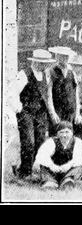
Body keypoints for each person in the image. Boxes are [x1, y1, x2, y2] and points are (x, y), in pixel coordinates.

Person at [12, 49, 56, 180]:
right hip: (26, 113)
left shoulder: (46, 75)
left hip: (40, 113)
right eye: (42, 63)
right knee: (29, 143)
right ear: (35, 61)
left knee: (40, 143)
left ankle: (23, 168)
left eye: (46, 63)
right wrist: (19, 109)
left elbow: (48, 95)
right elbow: (12, 94)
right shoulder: (24, 74)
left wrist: (51, 112)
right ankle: (25, 173)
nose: (44, 66)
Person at [32, 121, 82, 189]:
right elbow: (42, 155)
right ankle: (50, 182)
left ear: (72, 133)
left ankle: (68, 181)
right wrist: (51, 165)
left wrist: (69, 165)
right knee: (43, 165)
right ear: (57, 134)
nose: (64, 135)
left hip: (69, 170)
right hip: (54, 170)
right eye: (61, 132)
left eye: (67, 132)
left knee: (79, 167)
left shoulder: (77, 142)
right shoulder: (51, 141)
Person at [47, 46, 77, 136]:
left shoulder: (72, 72)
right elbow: (48, 94)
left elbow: (75, 92)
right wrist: (52, 113)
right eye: (61, 56)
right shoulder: (51, 71)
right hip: (57, 110)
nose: (64, 59)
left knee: (68, 135)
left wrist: (75, 111)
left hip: (70, 110)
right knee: (56, 135)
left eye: (66, 56)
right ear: (57, 57)